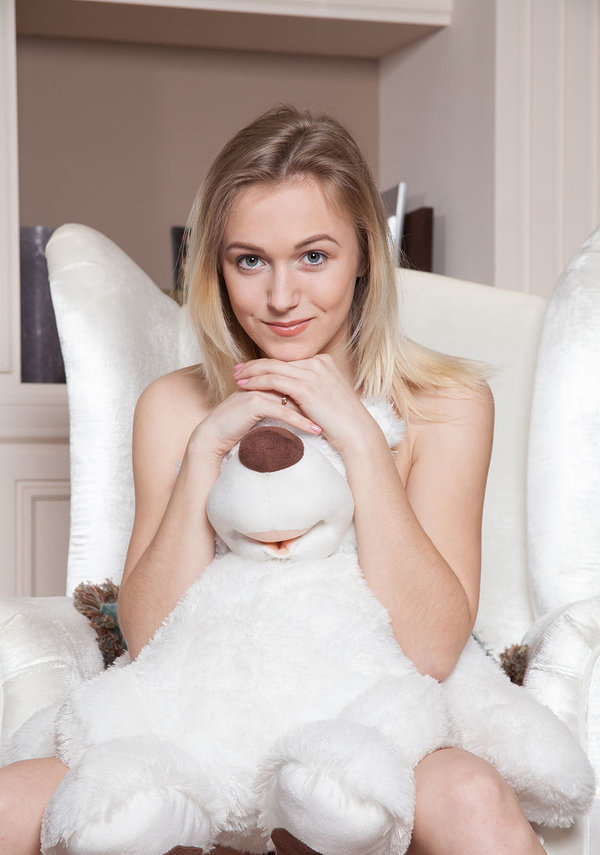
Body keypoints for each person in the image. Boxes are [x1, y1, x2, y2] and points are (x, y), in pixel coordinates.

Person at [0, 105, 545, 855]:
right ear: (216, 267)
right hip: (200, 718)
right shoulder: (174, 405)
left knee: (473, 797)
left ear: (365, 255)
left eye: (313, 256)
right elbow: (147, 636)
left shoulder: (446, 404)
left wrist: (358, 435)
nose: (282, 297)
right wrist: (203, 452)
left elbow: (433, 647)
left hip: (372, 725)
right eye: (250, 261)